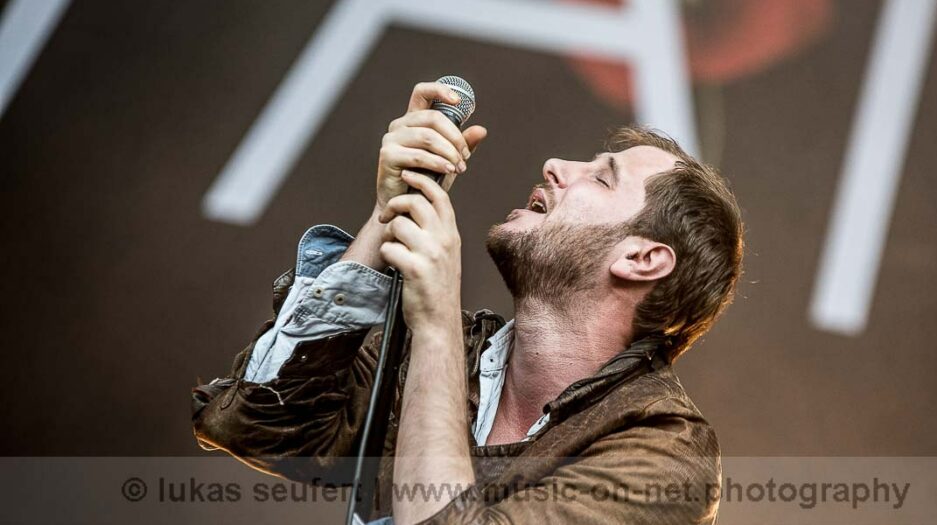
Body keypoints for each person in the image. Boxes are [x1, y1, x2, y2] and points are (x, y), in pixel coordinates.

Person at [192, 81, 743, 524]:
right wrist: (388, 215)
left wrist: (433, 325)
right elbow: (254, 426)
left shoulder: (664, 454)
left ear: (642, 259)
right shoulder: (452, 356)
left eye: (601, 178)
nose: (556, 165)